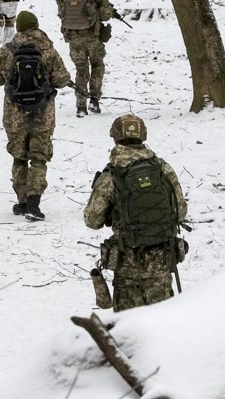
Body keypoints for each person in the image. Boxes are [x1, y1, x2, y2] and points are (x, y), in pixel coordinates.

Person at [84, 114, 188, 312]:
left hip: (128, 267)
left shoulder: (111, 175)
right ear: (143, 137)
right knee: (164, 322)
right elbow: (180, 211)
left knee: (129, 332)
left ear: (115, 137)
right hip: (162, 262)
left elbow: (92, 220)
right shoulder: (163, 169)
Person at [0, 11, 72, 221]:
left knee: (19, 157)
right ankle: (34, 203)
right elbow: (62, 80)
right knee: (39, 158)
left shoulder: (8, 50)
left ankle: (22, 201)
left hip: (14, 115)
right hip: (43, 113)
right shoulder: (48, 50)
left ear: (20, 28)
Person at [55, 0, 114, 117]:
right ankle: (94, 101)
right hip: (92, 36)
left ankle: (81, 106)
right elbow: (106, 14)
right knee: (97, 66)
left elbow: (61, 9)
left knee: (81, 70)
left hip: (73, 36)